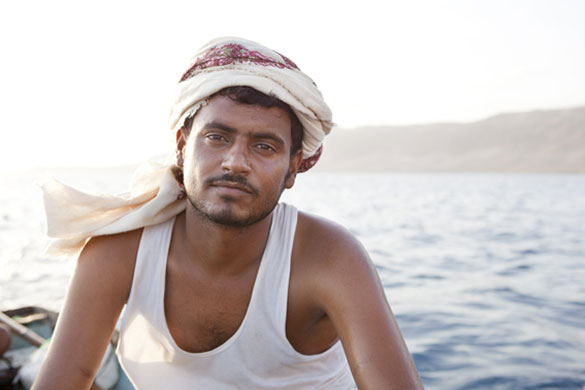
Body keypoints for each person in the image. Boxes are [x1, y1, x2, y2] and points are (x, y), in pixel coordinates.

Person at [33, 37, 423, 389]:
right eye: (217, 138)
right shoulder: (117, 254)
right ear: (183, 147)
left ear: (292, 168)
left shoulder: (329, 258)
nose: (235, 162)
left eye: (265, 147)